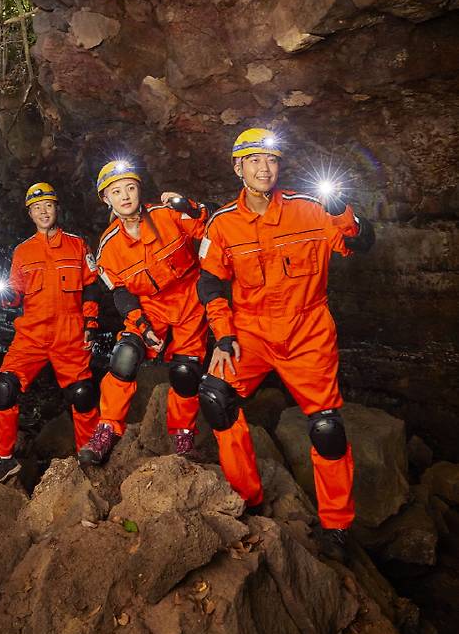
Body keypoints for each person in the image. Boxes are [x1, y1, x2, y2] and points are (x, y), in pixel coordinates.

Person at [196, 128, 375, 561]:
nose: (264, 168)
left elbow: (359, 242)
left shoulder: (310, 209)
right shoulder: (222, 224)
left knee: (328, 427)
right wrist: (223, 334)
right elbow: (211, 283)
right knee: (216, 396)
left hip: (307, 330)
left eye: (272, 160)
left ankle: (336, 526)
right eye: (254, 160)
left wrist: (345, 212)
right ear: (238, 168)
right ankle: (249, 498)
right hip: (251, 333)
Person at [78, 160, 209, 465]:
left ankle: (183, 436)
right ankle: (106, 430)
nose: (125, 196)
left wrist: (191, 207)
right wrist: (142, 324)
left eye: (130, 188)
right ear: (106, 199)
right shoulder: (109, 246)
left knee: (186, 372)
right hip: (149, 306)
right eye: (116, 191)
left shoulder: (168, 214)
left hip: (189, 301)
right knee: (124, 357)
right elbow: (120, 293)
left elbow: (210, 229)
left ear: (140, 190)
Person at [0, 182, 100, 483]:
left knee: (83, 393)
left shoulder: (77, 245)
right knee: (4, 388)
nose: (43, 211)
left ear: (56, 208)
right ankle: (5, 457)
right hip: (32, 334)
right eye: (37, 208)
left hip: (69, 332)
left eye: (48, 205)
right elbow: (15, 295)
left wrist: (91, 323)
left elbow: (90, 287)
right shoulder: (23, 252)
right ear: (30, 214)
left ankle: (89, 454)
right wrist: (3, 296)